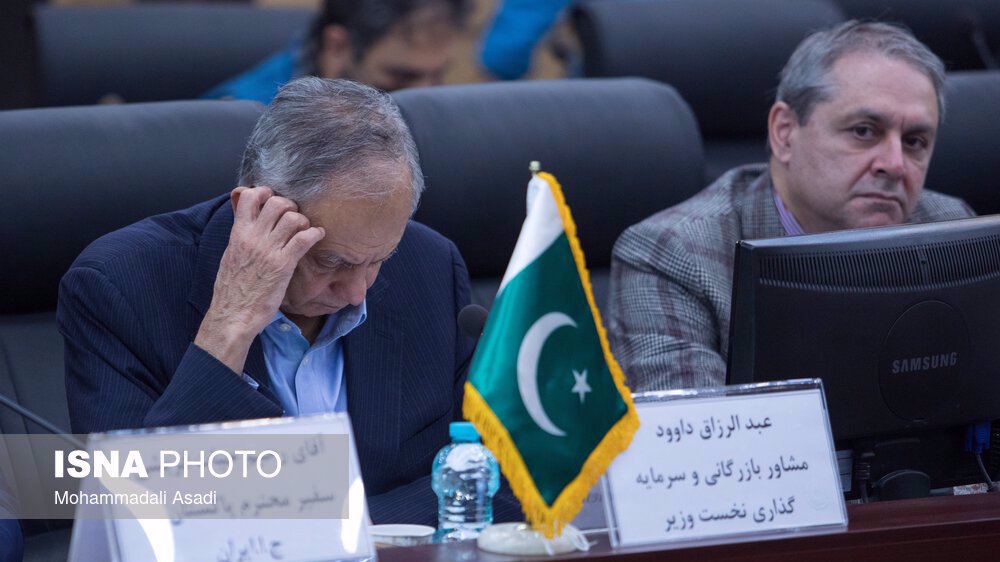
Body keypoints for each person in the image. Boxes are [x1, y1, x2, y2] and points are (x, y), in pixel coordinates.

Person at [58, 77, 519, 526]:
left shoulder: (430, 265)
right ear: (252, 211)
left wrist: (334, 533)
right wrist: (230, 325)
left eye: (380, 258)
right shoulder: (118, 288)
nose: (358, 292)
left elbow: (506, 477)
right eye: (330, 261)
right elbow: (132, 512)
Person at [608, 21, 975, 392]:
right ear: (784, 132)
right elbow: (703, 443)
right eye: (864, 131)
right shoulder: (675, 256)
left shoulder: (953, 230)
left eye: (914, 141)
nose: (895, 164)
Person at [203, 0, 467, 103]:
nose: (425, 95)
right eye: (401, 77)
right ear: (337, 46)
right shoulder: (245, 124)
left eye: (438, 76)